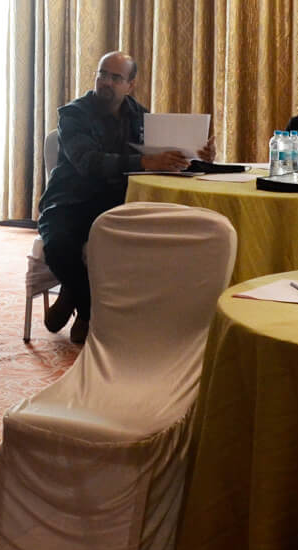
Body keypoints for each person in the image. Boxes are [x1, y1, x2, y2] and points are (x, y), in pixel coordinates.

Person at [37, 51, 190, 345]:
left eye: (115, 77)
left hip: (115, 202)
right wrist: (144, 162)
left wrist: (195, 155)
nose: (106, 81)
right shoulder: (73, 114)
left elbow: (164, 159)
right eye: (102, 74)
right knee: (57, 246)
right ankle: (86, 308)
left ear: (130, 85)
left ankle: (71, 293)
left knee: (149, 240)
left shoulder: (142, 117)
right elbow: (88, 162)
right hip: (69, 201)